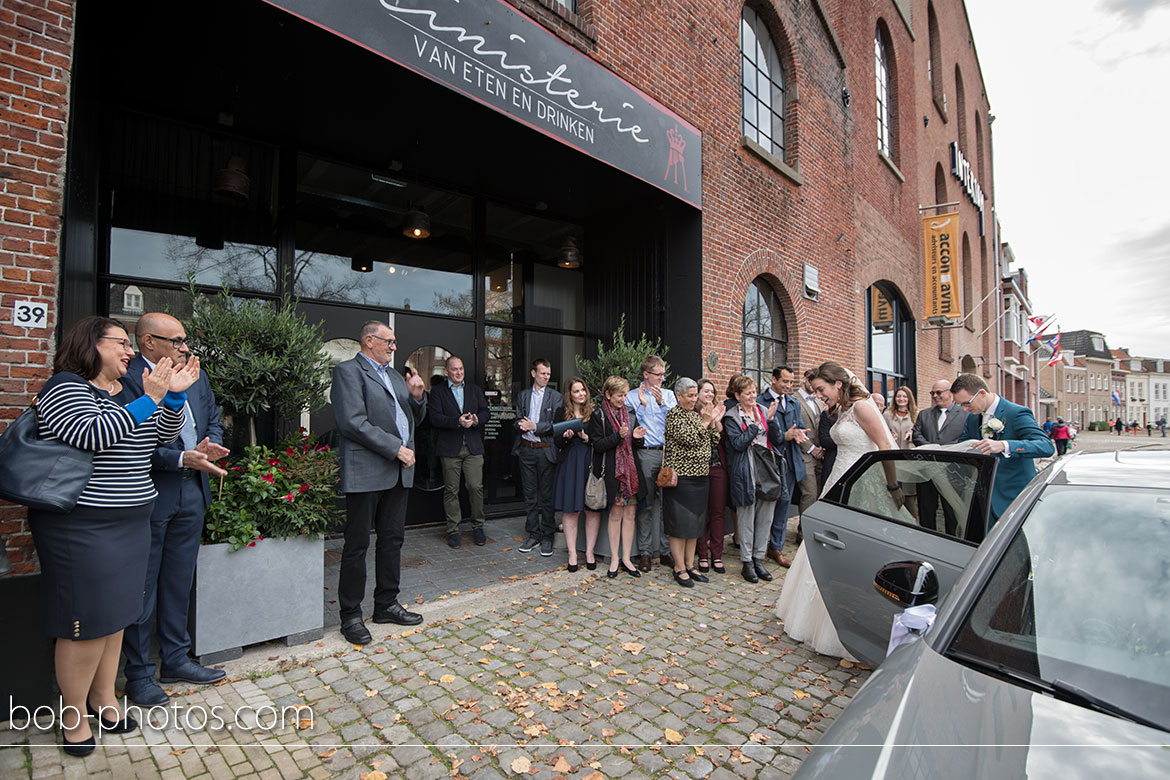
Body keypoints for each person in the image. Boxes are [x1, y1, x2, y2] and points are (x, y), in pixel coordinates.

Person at [29, 316, 195, 755]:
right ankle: (73, 714)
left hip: (131, 520)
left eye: (127, 343)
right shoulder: (65, 387)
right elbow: (93, 435)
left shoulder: (130, 391)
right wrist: (153, 397)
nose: (127, 351)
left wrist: (173, 400)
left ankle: (104, 699)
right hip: (83, 525)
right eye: (119, 343)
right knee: (86, 622)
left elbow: (159, 437)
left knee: (119, 615)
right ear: (90, 345)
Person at [114, 313, 229, 707]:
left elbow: (211, 415)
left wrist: (210, 444)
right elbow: (130, 441)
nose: (184, 348)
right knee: (142, 586)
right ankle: (139, 673)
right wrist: (182, 458)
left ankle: (177, 658)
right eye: (176, 341)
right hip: (151, 492)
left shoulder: (194, 373)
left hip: (192, 492)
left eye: (184, 340)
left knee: (180, 579)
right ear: (148, 342)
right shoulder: (126, 380)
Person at [775, 361, 907, 660]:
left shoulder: (863, 407)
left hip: (861, 486)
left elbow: (885, 444)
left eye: (822, 390)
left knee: (848, 549)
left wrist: (892, 486)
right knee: (822, 545)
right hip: (838, 481)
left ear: (838, 383)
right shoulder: (843, 410)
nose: (820, 395)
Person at [332, 321, 427, 645]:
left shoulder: (397, 377)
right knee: (357, 545)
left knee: (392, 540)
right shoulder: (348, 372)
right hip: (367, 470)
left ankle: (386, 604)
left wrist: (416, 399)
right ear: (369, 340)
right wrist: (395, 448)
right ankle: (351, 616)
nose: (394, 347)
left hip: (399, 471)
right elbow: (353, 422)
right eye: (389, 341)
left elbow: (410, 420)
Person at [953, 373, 1054, 528]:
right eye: (961, 405)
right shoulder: (973, 418)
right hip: (984, 500)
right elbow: (963, 445)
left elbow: (1045, 446)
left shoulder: (1016, 413)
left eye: (967, 403)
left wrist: (1005, 445)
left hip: (1014, 498)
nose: (965, 409)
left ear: (981, 393)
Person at [661, 378, 723, 588]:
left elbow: (713, 440)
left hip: (700, 477)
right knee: (680, 525)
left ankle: (690, 565)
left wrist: (712, 421)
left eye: (695, 395)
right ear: (678, 396)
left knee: (695, 524)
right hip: (682, 479)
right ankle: (678, 567)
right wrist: (705, 422)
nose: (693, 399)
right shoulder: (674, 415)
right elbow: (690, 439)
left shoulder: (697, 415)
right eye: (690, 395)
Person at [723, 373, 784, 584]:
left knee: (765, 516)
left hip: (766, 469)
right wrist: (756, 426)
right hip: (745, 471)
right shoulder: (731, 416)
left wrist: (771, 421)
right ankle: (747, 562)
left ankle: (759, 559)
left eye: (754, 392)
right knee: (746, 517)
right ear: (737, 395)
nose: (752, 396)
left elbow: (776, 439)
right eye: (748, 393)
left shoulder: (764, 410)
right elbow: (738, 444)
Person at [428, 356, 490, 548]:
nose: (458, 372)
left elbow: (486, 412)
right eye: (454, 369)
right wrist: (457, 421)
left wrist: (476, 419)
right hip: (450, 448)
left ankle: (478, 526)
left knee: (475, 487)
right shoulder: (438, 392)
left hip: (473, 447)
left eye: (461, 369)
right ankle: (453, 530)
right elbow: (434, 418)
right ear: (446, 371)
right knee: (451, 490)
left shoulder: (474, 390)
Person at [588, 376, 646, 578]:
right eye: (619, 395)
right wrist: (618, 437)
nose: (623, 399)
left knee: (630, 515)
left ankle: (627, 558)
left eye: (624, 395)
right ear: (608, 395)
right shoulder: (599, 415)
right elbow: (597, 445)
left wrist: (637, 438)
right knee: (615, 515)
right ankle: (614, 558)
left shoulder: (630, 413)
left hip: (630, 474)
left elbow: (635, 445)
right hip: (613, 474)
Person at [626, 355, 677, 572]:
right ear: (646, 374)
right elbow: (629, 428)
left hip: (666, 453)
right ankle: (645, 552)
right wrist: (643, 406)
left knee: (668, 504)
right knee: (645, 504)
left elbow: (675, 421)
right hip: (645, 454)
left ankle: (666, 551)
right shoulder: (631, 397)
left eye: (663, 374)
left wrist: (660, 403)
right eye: (658, 374)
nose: (662, 378)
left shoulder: (669, 396)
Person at [758, 366, 808, 568]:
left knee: (784, 506)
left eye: (790, 382)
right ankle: (759, 547)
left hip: (790, 462)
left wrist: (800, 434)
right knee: (765, 506)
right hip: (769, 461)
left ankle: (776, 548)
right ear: (773, 379)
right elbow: (758, 430)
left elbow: (800, 425)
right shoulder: (761, 402)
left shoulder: (794, 403)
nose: (788, 386)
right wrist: (783, 436)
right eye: (784, 381)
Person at [513, 358, 562, 557]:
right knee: (530, 494)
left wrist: (535, 427)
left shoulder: (556, 397)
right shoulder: (523, 395)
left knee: (547, 496)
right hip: (526, 449)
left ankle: (548, 535)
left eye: (548, 374)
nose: (546, 377)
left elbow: (555, 426)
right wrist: (520, 425)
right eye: (543, 373)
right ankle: (534, 533)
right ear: (533, 373)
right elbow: (516, 420)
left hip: (545, 450)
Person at [911, 379, 970, 535]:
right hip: (926, 471)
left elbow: (965, 438)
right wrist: (933, 449)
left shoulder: (964, 414)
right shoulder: (924, 414)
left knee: (951, 511)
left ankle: (953, 541)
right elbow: (916, 435)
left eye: (938, 392)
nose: (935, 396)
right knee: (926, 509)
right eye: (932, 393)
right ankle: (928, 539)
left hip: (952, 470)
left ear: (950, 392)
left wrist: (944, 451)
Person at [553, 377, 600, 572]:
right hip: (570, 463)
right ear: (569, 394)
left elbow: (599, 440)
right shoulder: (560, 412)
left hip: (589, 460)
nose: (581, 394)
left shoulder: (595, 412)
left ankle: (589, 552)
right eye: (576, 391)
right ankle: (572, 553)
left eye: (583, 390)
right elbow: (556, 442)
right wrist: (565, 438)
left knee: (591, 509)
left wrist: (586, 437)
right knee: (571, 509)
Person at [694, 378, 729, 575]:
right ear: (697, 393)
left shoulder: (717, 412)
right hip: (699, 469)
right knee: (701, 513)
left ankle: (717, 554)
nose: (710, 395)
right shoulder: (693, 413)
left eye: (712, 392)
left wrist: (716, 419)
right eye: (706, 391)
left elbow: (721, 438)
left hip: (717, 467)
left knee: (717, 513)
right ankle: (702, 555)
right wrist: (708, 419)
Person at [792, 369, 825, 543]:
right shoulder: (794, 400)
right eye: (812, 382)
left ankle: (813, 528)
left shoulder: (819, 401)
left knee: (819, 493)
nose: (815, 387)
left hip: (821, 453)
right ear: (805, 380)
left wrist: (822, 448)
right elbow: (794, 427)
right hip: (804, 454)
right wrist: (811, 448)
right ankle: (803, 533)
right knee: (809, 493)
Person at [883, 385, 920, 519]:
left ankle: (914, 522)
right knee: (894, 496)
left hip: (909, 460)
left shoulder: (916, 414)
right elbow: (882, 433)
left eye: (904, 396)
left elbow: (920, 433)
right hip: (893, 459)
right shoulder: (887, 414)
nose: (901, 399)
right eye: (898, 396)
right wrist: (889, 435)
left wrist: (912, 434)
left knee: (909, 497)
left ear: (909, 398)